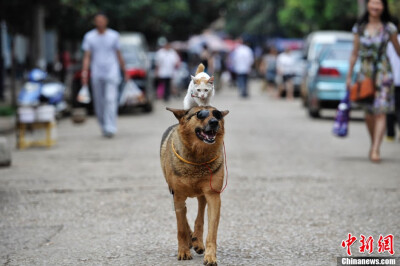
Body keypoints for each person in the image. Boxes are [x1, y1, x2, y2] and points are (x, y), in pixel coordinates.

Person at [346, 0, 400, 162]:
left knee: (381, 111)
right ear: (368, 5)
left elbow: (398, 51)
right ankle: (373, 143)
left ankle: (376, 148)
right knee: (369, 112)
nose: (375, 7)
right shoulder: (359, 28)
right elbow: (354, 53)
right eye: (373, 3)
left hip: (384, 73)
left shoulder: (389, 28)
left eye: (379, 3)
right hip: (365, 73)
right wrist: (349, 76)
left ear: (384, 7)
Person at [81, 12, 128, 138]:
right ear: (95, 22)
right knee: (99, 102)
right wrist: (84, 73)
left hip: (112, 72)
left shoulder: (114, 35)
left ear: (106, 21)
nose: (100, 23)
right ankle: (103, 125)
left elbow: (119, 54)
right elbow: (87, 56)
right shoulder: (89, 37)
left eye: (102, 20)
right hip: (96, 73)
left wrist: (125, 71)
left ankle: (110, 127)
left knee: (110, 100)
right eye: (98, 20)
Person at [386, 18, 400, 141]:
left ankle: (390, 134)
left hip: (390, 80)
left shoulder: (389, 43)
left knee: (390, 108)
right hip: (393, 80)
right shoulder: (390, 42)